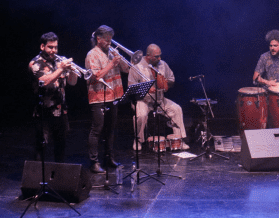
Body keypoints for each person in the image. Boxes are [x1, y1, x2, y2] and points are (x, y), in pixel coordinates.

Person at [85, 25, 130, 174]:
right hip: (98, 97)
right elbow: (96, 76)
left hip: (114, 96)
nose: (109, 43)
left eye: (111, 40)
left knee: (110, 129)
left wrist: (121, 60)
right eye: (107, 40)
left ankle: (109, 158)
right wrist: (111, 64)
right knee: (97, 129)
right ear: (99, 39)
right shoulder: (92, 55)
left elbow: (126, 69)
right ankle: (94, 162)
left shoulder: (112, 52)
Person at [28, 32, 78, 163]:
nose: (53, 50)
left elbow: (72, 82)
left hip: (61, 110)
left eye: (55, 47)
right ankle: (38, 177)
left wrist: (73, 70)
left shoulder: (59, 60)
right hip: (43, 111)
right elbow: (45, 81)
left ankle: (58, 176)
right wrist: (61, 69)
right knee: (41, 145)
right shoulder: (35, 63)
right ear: (42, 46)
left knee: (60, 144)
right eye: (50, 47)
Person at [128, 44, 188, 151]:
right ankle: (138, 140)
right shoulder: (136, 66)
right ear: (148, 56)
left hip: (159, 99)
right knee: (140, 115)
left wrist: (165, 83)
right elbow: (131, 88)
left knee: (176, 109)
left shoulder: (163, 64)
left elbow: (171, 79)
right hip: (143, 100)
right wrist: (145, 88)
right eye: (156, 56)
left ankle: (179, 140)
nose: (159, 58)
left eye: (160, 55)